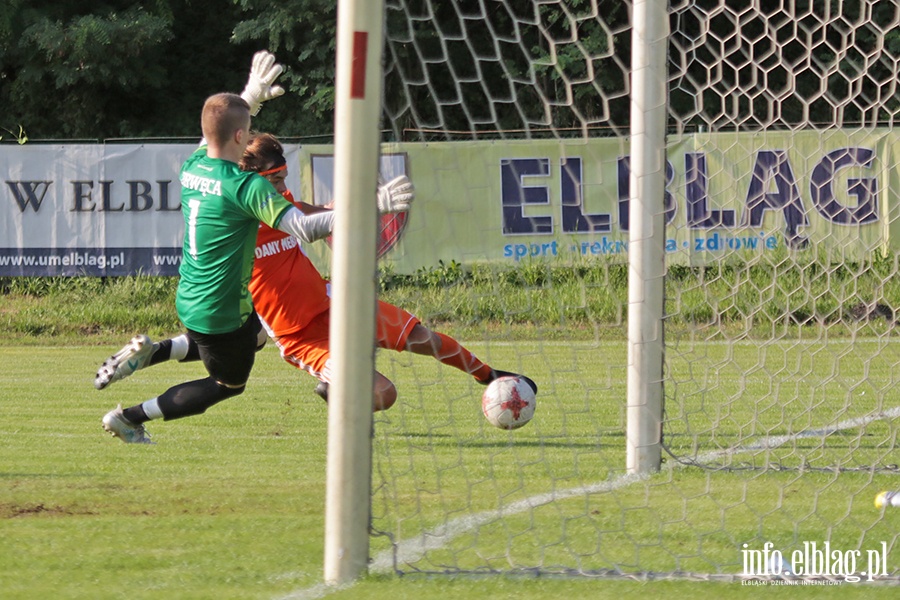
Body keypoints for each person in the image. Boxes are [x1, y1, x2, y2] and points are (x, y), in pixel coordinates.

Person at [95, 131, 536, 416]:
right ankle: (337, 397)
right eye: (274, 178)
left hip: (330, 302)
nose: (281, 186)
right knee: (383, 395)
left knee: (421, 337)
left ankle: (489, 375)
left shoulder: (270, 195)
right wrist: (371, 203)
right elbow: (308, 224)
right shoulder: (245, 209)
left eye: (284, 175)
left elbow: (312, 213)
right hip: (299, 333)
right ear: (250, 179)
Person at [98, 52, 412, 444]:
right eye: (247, 130)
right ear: (240, 137)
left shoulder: (194, 166)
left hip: (193, 294)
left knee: (259, 335)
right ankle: (127, 417)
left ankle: (155, 351)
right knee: (228, 383)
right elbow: (303, 227)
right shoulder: (246, 186)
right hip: (223, 308)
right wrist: (372, 205)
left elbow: (215, 131)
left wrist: (251, 95)